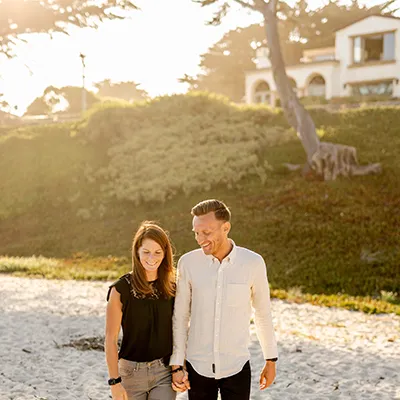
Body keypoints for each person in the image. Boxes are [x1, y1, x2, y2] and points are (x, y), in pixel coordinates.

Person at [170, 199, 278, 399]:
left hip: (236, 366)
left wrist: (270, 359)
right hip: (197, 366)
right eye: (196, 232)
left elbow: (263, 313)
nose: (200, 238)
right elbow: (181, 316)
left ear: (226, 227)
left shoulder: (253, 263)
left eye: (206, 232)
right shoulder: (188, 263)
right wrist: (177, 363)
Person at [105, 221, 177, 400]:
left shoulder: (172, 288)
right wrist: (114, 382)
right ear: (137, 251)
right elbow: (110, 338)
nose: (151, 258)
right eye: (146, 252)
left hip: (164, 373)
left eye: (158, 252)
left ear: (165, 253)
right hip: (130, 374)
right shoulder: (120, 290)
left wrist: (179, 367)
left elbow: (180, 330)